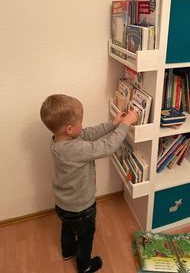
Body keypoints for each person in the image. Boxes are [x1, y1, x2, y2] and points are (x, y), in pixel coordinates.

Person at [40, 94, 138, 273]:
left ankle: (67, 251)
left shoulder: (58, 140)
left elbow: (88, 133)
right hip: (82, 208)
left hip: (63, 204)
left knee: (67, 228)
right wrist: (125, 125)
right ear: (70, 129)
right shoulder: (75, 148)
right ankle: (84, 265)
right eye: (81, 122)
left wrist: (113, 124)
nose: (83, 126)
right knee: (86, 236)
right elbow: (107, 147)